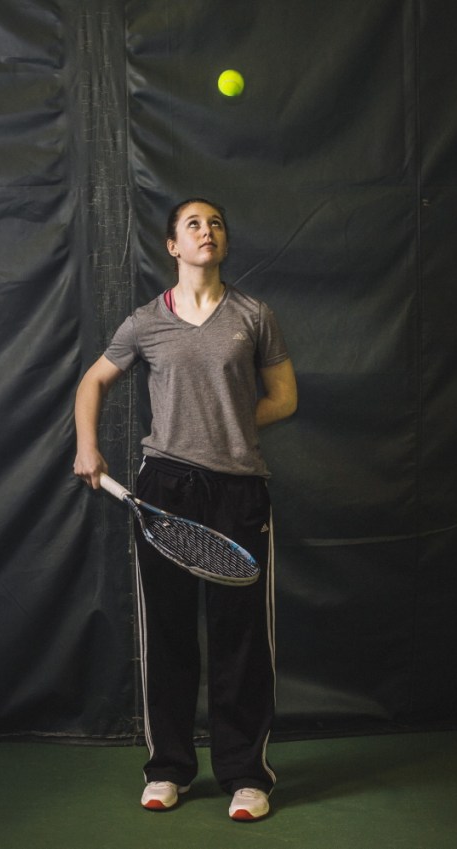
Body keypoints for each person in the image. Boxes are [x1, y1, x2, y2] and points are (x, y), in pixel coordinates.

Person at [73, 198, 297, 821]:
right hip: (164, 490)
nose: (208, 231)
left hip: (239, 491)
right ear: (173, 245)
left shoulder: (254, 316)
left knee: (242, 639)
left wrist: (227, 421)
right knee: (168, 634)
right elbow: (92, 381)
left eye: (217, 223)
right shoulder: (145, 323)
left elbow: (284, 397)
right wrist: (88, 446)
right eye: (194, 224)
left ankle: (246, 775)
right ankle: (168, 768)